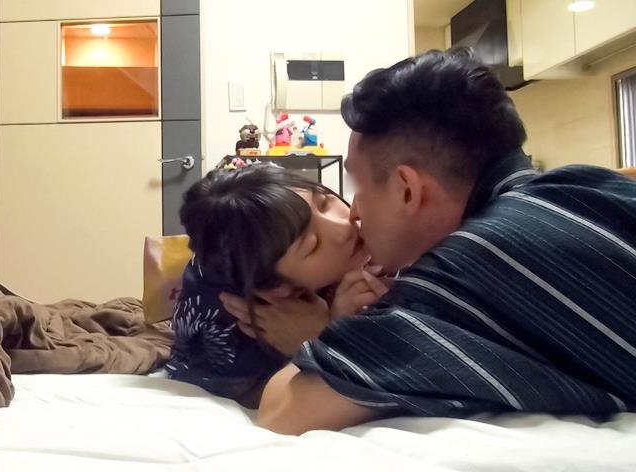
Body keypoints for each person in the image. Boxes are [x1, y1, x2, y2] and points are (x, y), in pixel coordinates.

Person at [219, 48, 636, 434]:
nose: (354, 213)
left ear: (407, 190)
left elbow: (281, 412)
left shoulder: (457, 276)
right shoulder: (588, 183)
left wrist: (319, 334)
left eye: (357, 186)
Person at [165, 164, 386, 406]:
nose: (344, 227)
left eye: (324, 203)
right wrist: (322, 339)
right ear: (278, 290)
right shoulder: (236, 327)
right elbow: (268, 404)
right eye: (313, 245)